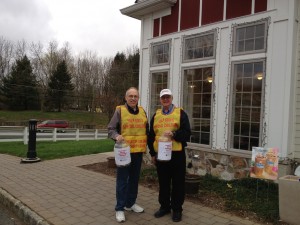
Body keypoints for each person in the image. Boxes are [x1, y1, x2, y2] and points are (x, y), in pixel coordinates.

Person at [148, 89, 191, 222]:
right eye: (163, 98)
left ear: (171, 98)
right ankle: (165, 206)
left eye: (168, 97)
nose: (165, 99)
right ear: (160, 100)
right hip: (161, 155)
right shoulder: (156, 115)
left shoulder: (181, 113)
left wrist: (174, 134)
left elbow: (187, 133)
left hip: (177, 155)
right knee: (163, 182)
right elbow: (151, 136)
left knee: (178, 183)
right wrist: (153, 153)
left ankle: (177, 209)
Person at [108, 87, 148, 223]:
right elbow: (110, 129)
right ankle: (120, 208)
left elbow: (146, 130)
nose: (133, 98)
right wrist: (117, 136)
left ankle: (130, 204)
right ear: (126, 98)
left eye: (135, 96)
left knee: (134, 180)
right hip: (124, 152)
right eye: (130, 96)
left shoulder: (143, 112)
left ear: (138, 98)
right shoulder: (120, 110)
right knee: (122, 181)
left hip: (137, 152)